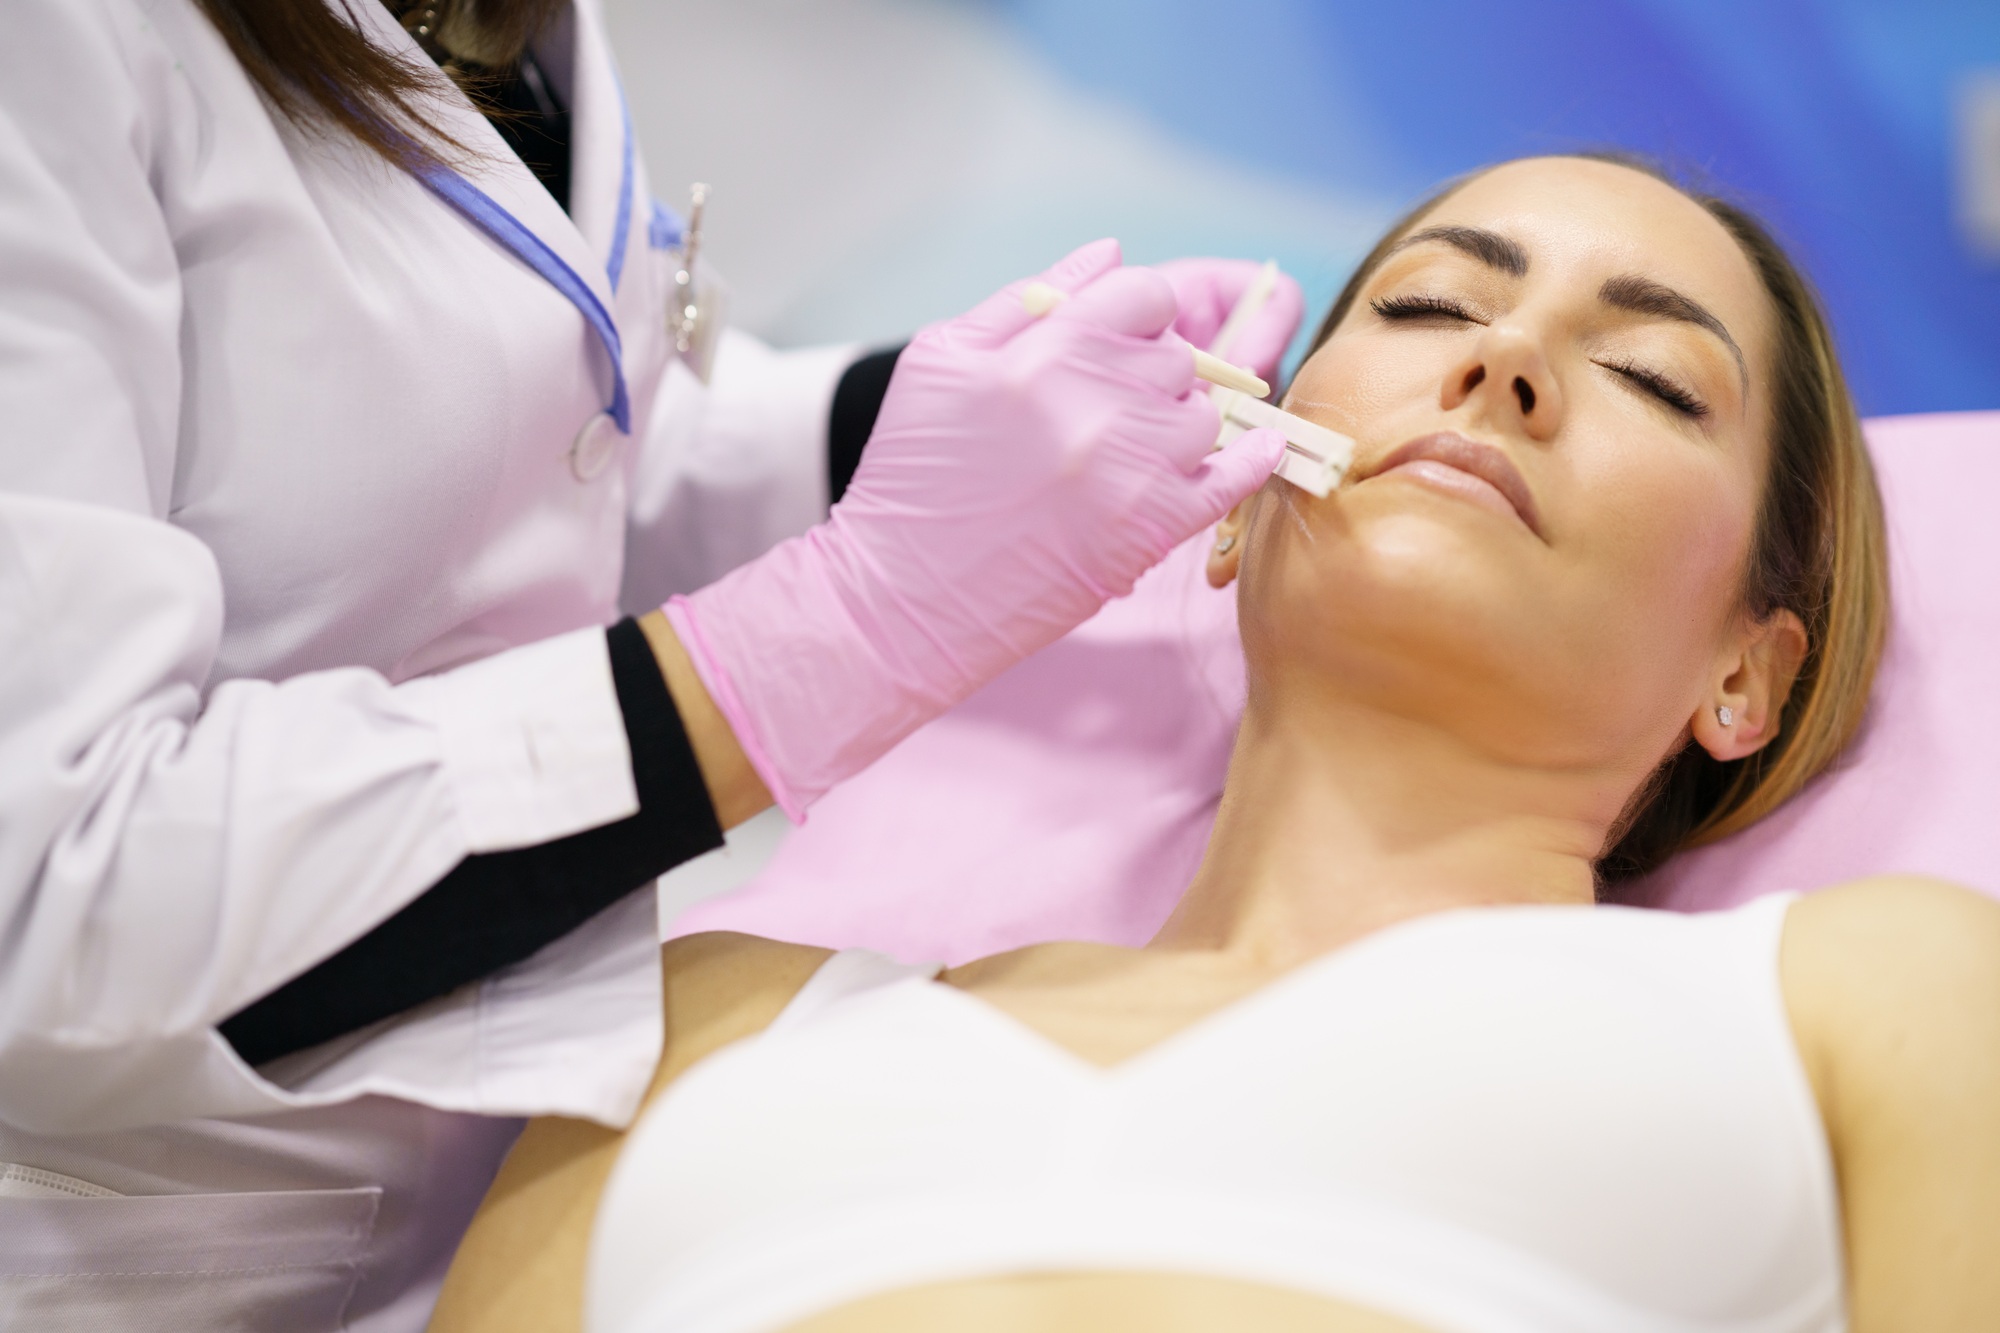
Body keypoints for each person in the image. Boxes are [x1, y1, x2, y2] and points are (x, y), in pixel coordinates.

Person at [430, 154, 2000, 1333]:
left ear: (1750, 670)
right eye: (1430, 303)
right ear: (1237, 511)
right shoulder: (711, 1015)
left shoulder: (1870, 999)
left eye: (1655, 379)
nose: (1502, 360)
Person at [0, 1, 1301, 1328]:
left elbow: (543, 455)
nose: (1493, 370)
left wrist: (899, 424)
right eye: (1429, 298)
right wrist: (832, 630)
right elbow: (53, 888)